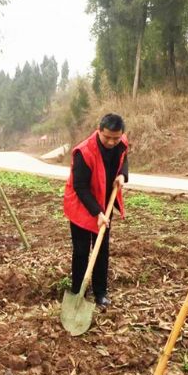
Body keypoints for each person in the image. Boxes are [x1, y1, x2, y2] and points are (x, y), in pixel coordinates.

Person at [63, 114, 129, 307]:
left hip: (104, 201)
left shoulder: (121, 143)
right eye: (107, 137)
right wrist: (97, 213)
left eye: (115, 138)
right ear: (99, 130)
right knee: (82, 250)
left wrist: (123, 175)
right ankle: (78, 291)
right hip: (81, 205)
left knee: (101, 248)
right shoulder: (83, 152)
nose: (111, 142)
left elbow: (124, 159)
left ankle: (100, 292)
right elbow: (80, 186)